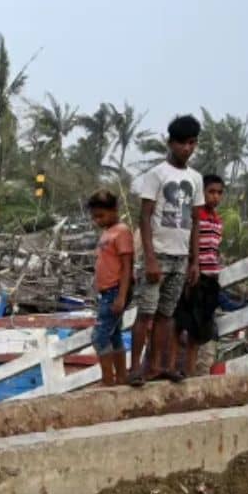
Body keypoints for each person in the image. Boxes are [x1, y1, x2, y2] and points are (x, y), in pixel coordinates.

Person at [129, 115, 204, 386]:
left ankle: (160, 366)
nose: (187, 148)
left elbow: (196, 221)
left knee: (167, 315)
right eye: (182, 143)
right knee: (146, 313)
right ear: (171, 143)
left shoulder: (195, 179)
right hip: (157, 254)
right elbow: (144, 217)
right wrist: (149, 258)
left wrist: (194, 261)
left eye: (192, 143)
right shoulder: (156, 174)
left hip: (180, 256)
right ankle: (136, 368)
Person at [176, 174, 226, 377]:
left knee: (197, 333)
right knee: (181, 326)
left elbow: (214, 250)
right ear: (202, 193)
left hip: (210, 279)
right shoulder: (196, 217)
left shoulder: (217, 221)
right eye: (211, 192)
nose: (215, 197)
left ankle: (188, 373)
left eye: (219, 193)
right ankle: (177, 370)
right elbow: (188, 246)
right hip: (194, 278)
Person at [88, 190, 134, 386]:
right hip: (107, 291)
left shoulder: (121, 231)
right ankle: (121, 377)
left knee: (99, 337)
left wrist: (122, 296)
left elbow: (126, 266)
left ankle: (108, 380)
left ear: (114, 210)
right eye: (95, 217)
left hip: (116, 291)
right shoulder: (107, 232)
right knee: (114, 336)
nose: (98, 220)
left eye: (101, 215)